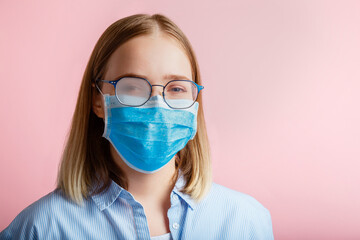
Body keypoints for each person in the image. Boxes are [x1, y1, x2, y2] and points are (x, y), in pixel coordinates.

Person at [0, 14, 274, 240]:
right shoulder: (41, 228)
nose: (157, 104)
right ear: (98, 100)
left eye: (176, 88)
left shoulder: (246, 222)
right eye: (132, 87)